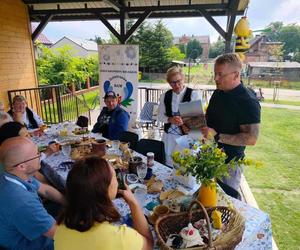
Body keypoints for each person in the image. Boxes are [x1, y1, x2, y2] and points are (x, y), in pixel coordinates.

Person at [54, 156, 153, 250]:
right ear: (105, 190)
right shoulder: (118, 237)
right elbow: (148, 244)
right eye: (115, 176)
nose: (118, 181)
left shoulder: (60, 227)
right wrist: (134, 204)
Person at [201, 53, 261, 192]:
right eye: (215, 73)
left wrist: (217, 136)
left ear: (235, 74)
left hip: (229, 165)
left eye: (220, 74)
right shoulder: (219, 92)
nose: (216, 78)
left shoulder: (248, 101)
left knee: (224, 205)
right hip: (208, 156)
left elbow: (251, 138)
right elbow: (211, 117)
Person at [0, 136, 65, 250]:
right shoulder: (22, 201)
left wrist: (69, 202)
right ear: (22, 166)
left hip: (29, 227)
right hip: (33, 244)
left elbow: (45, 190)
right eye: (37, 154)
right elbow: (58, 233)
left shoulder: (13, 175)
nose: (40, 156)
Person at [158, 66, 201, 166]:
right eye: (172, 83)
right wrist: (169, 119)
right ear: (169, 83)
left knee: (183, 167)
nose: (176, 85)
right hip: (168, 138)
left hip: (186, 137)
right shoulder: (165, 96)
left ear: (183, 78)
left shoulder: (193, 95)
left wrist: (184, 121)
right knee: (167, 165)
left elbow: (198, 122)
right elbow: (160, 116)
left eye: (179, 81)